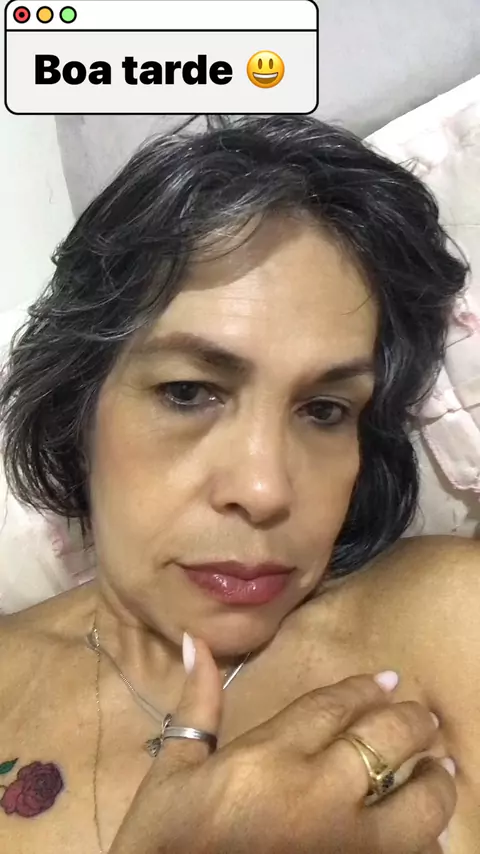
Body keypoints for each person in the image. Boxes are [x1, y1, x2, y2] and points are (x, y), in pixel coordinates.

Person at [0, 113, 476, 854]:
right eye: (189, 392)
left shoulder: (454, 621)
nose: (264, 490)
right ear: (77, 407)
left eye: (324, 410)